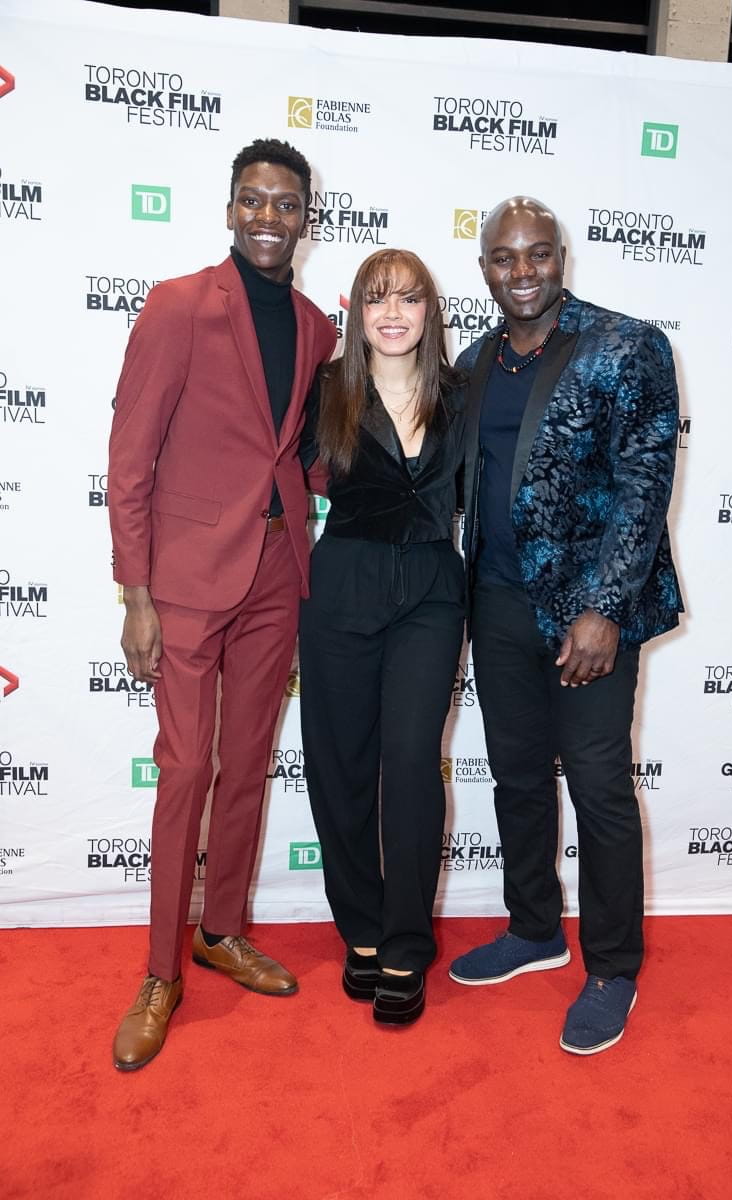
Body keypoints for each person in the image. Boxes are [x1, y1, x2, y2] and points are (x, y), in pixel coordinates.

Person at [107, 138, 336, 1071]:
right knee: (185, 773)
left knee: (246, 764)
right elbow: (130, 456)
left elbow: (305, 454)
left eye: (287, 204)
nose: (270, 218)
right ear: (231, 208)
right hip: (188, 580)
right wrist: (135, 591)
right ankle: (162, 969)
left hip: (280, 572)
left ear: (306, 218)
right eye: (255, 200)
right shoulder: (177, 305)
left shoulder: (320, 325)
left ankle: (223, 929)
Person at [448, 196, 682, 1055]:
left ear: (561, 257)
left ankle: (614, 966)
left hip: (590, 613)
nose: (523, 272)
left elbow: (644, 487)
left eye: (537, 254)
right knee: (514, 775)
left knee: (598, 785)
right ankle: (535, 929)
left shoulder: (627, 345)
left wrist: (604, 610)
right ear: (485, 271)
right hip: (498, 602)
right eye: (505, 258)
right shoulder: (473, 362)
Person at [299, 249, 465, 1027]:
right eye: (376, 299)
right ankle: (360, 930)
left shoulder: (461, 396)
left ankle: (405, 943)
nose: (392, 314)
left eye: (408, 299)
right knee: (340, 767)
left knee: (408, 764)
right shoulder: (325, 390)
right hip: (341, 589)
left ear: (431, 313)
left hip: (433, 592)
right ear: (356, 312)